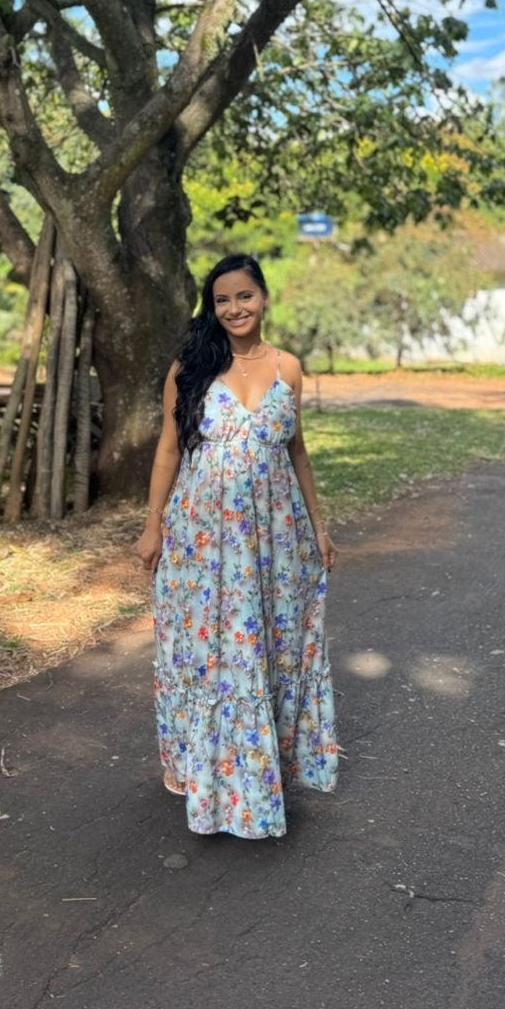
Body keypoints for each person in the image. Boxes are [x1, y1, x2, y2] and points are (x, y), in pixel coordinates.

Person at [134, 253, 339, 839]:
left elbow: (296, 453)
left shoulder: (289, 369)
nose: (234, 309)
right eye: (222, 300)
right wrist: (152, 526)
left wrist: (318, 528)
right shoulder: (191, 368)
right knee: (204, 650)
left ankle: (257, 772)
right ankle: (199, 768)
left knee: (266, 644)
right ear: (212, 306)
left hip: (275, 536)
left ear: (264, 297)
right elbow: (168, 451)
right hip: (202, 536)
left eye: (244, 296)